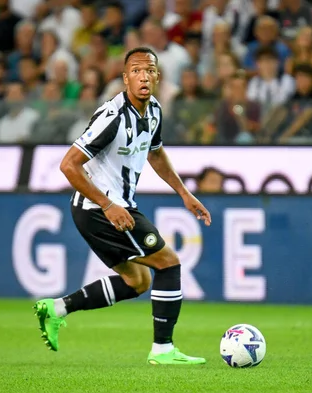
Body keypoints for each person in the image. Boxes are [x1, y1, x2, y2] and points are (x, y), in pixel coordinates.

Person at [33, 47, 212, 365]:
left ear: (157, 76)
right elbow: (69, 165)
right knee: (168, 263)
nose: (144, 76)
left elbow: (155, 153)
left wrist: (184, 193)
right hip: (98, 208)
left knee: (137, 281)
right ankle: (163, 350)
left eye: (150, 70)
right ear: (125, 77)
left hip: (113, 206)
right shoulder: (112, 116)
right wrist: (107, 205)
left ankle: (57, 308)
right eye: (136, 70)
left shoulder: (154, 110)